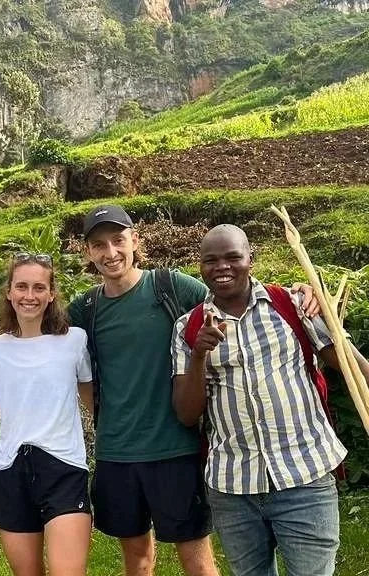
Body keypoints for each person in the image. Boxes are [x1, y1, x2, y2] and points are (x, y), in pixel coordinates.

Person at [67, 205, 318, 576]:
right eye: (99, 245)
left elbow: (234, 295)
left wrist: (300, 292)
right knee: (136, 558)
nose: (110, 252)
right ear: (87, 252)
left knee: (196, 560)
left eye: (118, 240)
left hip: (175, 448)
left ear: (135, 241)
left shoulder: (172, 287)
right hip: (116, 453)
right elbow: (47, 343)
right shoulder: (84, 309)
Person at [172, 224, 369, 576]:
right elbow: (187, 414)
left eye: (233, 257)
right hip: (234, 486)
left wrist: (326, 311)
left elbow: (347, 363)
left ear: (251, 258)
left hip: (304, 475)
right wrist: (199, 355)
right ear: (199, 265)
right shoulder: (188, 328)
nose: (222, 267)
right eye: (210, 260)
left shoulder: (292, 305)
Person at [0, 252, 93, 576]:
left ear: (52, 293)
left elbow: (93, 401)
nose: (30, 296)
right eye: (22, 287)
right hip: (9, 471)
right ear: (9, 292)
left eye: (39, 287)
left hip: (64, 469)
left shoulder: (74, 341)